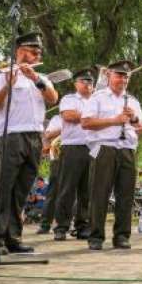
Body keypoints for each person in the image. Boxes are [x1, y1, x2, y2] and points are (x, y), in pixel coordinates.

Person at [0, 32, 58, 258]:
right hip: (11, 135)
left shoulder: (41, 77)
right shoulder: (2, 75)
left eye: (39, 53)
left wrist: (35, 78)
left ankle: (14, 239)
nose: (37, 56)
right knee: (2, 188)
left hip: (35, 136)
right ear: (19, 51)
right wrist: (8, 86)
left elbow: (53, 98)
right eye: (33, 52)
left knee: (21, 191)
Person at [81, 60, 142, 250]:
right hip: (104, 148)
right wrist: (114, 121)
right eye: (119, 76)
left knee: (126, 195)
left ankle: (122, 236)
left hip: (127, 149)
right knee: (99, 194)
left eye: (126, 77)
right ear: (109, 75)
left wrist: (134, 118)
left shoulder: (133, 101)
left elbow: (141, 128)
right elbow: (86, 123)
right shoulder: (98, 97)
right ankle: (96, 236)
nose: (123, 80)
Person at [52, 67, 96, 241]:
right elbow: (69, 115)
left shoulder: (97, 100)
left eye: (90, 81)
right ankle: (61, 226)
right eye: (84, 81)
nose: (88, 84)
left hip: (93, 147)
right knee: (67, 188)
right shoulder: (69, 99)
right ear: (76, 83)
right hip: (73, 147)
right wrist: (93, 116)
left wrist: (90, 117)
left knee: (88, 189)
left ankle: (82, 224)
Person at [37, 114, 62, 234]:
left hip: (75, 157)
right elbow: (48, 135)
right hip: (57, 158)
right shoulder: (57, 119)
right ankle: (45, 224)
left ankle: (64, 224)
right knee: (53, 192)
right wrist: (64, 129)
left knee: (72, 193)